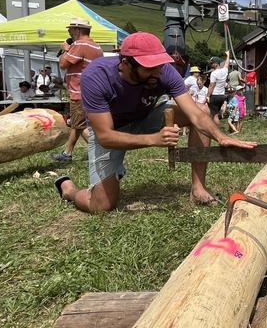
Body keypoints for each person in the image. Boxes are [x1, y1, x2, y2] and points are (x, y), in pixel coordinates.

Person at [54, 32, 256, 213]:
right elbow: (106, 136)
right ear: (125, 62)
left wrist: (221, 137)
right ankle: (69, 190)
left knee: (202, 110)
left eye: (159, 66)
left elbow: (196, 115)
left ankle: (198, 189)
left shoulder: (164, 71)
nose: (157, 73)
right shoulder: (96, 76)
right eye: (149, 68)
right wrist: (154, 139)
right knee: (101, 206)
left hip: (144, 118)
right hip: (112, 130)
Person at [52, 18, 104, 163]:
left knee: (78, 125)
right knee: (81, 125)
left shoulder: (79, 45)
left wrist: (66, 49)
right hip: (92, 91)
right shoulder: (97, 47)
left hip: (79, 91)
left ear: (77, 30)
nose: (69, 31)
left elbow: (63, 64)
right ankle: (71, 153)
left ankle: (72, 154)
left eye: (70, 29)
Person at [206, 52, 230, 126]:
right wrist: (228, 55)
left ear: (216, 64)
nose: (211, 64)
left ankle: (216, 131)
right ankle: (214, 129)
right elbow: (227, 64)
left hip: (215, 96)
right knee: (215, 113)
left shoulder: (214, 73)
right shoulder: (225, 70)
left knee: (214, 115)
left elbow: (211, 85)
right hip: (222, 96)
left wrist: (207, 96)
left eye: (212, 63)